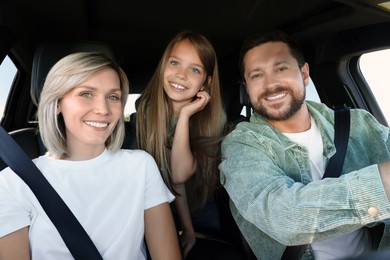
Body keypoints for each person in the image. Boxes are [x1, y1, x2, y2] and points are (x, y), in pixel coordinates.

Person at [219, 29, 390, 260]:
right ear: (247, 88)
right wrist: (382, 183)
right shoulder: (241, 146)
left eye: (281, 69)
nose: (270, 84)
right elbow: (283, 216)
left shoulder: (358, 123)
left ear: (304, 73)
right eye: (256, 75)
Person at [0, 52, 181, 259]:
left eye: (113, 97)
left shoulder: (141, 166)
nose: (103, 109)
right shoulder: (13, 183)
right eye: (86, 94)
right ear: (58, 102)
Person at [135, 31, 227, 257]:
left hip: (200, 209)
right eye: (174, 63)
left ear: (206, 81)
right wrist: (185, 229)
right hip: (155, 211)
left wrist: (185, 115)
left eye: (194, 69)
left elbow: (179, 176)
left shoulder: (215, 119)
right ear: (163, 66)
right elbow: (169, 178)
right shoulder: (147, 112)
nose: (181, 75)